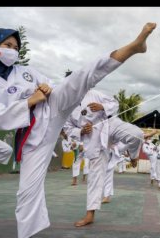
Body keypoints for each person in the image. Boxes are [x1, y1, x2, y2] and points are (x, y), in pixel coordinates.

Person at [0, 23, 156, 238]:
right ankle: (26, 234)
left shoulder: (25, 71)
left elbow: (47, 85)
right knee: (27, 193)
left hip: (53, 108)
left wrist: (45, 88)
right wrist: (29, 101)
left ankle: (133, 47)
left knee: (84, 75)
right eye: (7, 45)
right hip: (33, 136)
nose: (12, 50)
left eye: (15, 47)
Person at [63, 89, 150, 227]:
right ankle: (90, 215)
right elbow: (67, 128)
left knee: (137, 134)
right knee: (94, 179)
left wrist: (102, 107)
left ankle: (133, 156)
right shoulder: (66, 107)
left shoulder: (93, 93)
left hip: (110, 124)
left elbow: (114, 103)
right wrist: (80, 131)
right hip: (93, 139)